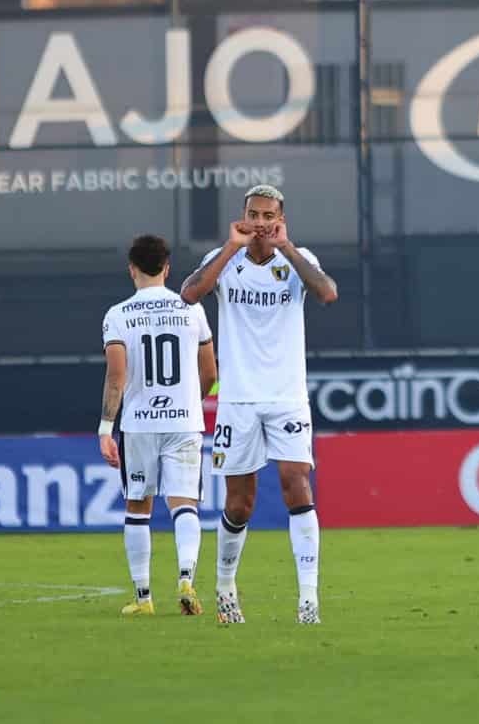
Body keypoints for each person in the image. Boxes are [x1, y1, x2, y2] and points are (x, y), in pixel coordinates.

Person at [181, 184, 338, 625]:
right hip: (238, 399)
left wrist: (286, 246)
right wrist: (231, 248)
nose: (262, 223)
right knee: (239, 502)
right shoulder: (225, 260)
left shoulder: (295, 259)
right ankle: (226, 584)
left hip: (287, 396)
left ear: (281, 217)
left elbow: (327, 293)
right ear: (243, 216)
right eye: (254, 214)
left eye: (269, 215)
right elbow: (190, 294)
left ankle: (309, 598)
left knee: (296, 484)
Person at [99, 235, 217, 617]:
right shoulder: (192, 310)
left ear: (131, 269)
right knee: (185, 504)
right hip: (184, 421)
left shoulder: (117, 315)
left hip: (138, 423)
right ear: (167, 268)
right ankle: (186, 576)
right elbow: (210, 372)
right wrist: (188, 404)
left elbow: (117, 377)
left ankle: (144, 598)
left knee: (138, 507)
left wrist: (105, 429)